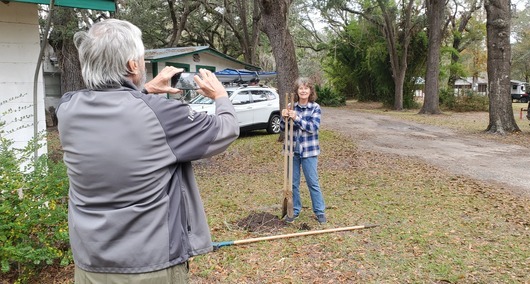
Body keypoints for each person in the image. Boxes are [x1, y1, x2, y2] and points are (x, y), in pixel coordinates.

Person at [56, 19, 239, 283]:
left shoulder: (67, 109)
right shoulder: (160, 113)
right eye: (140, 58)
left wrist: (145, 89)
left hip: (90, 264)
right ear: (132, 64)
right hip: (152, 266)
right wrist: (220, 95)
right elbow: (226, 128)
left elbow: (117, 110)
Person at [281, 77, 327, 224]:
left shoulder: (315, 107)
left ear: (310, 91)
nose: (303, 91)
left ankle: (319, 211)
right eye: (301, 88)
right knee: (293, 183)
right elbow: (283, 129)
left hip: (309, 151)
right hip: (292, 151)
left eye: (306, 88)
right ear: (297, 91)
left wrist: (297, 118)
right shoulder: (290, 106)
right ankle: (294, 210)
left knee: (312, 182)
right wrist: (283, 118)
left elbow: (313, 128)